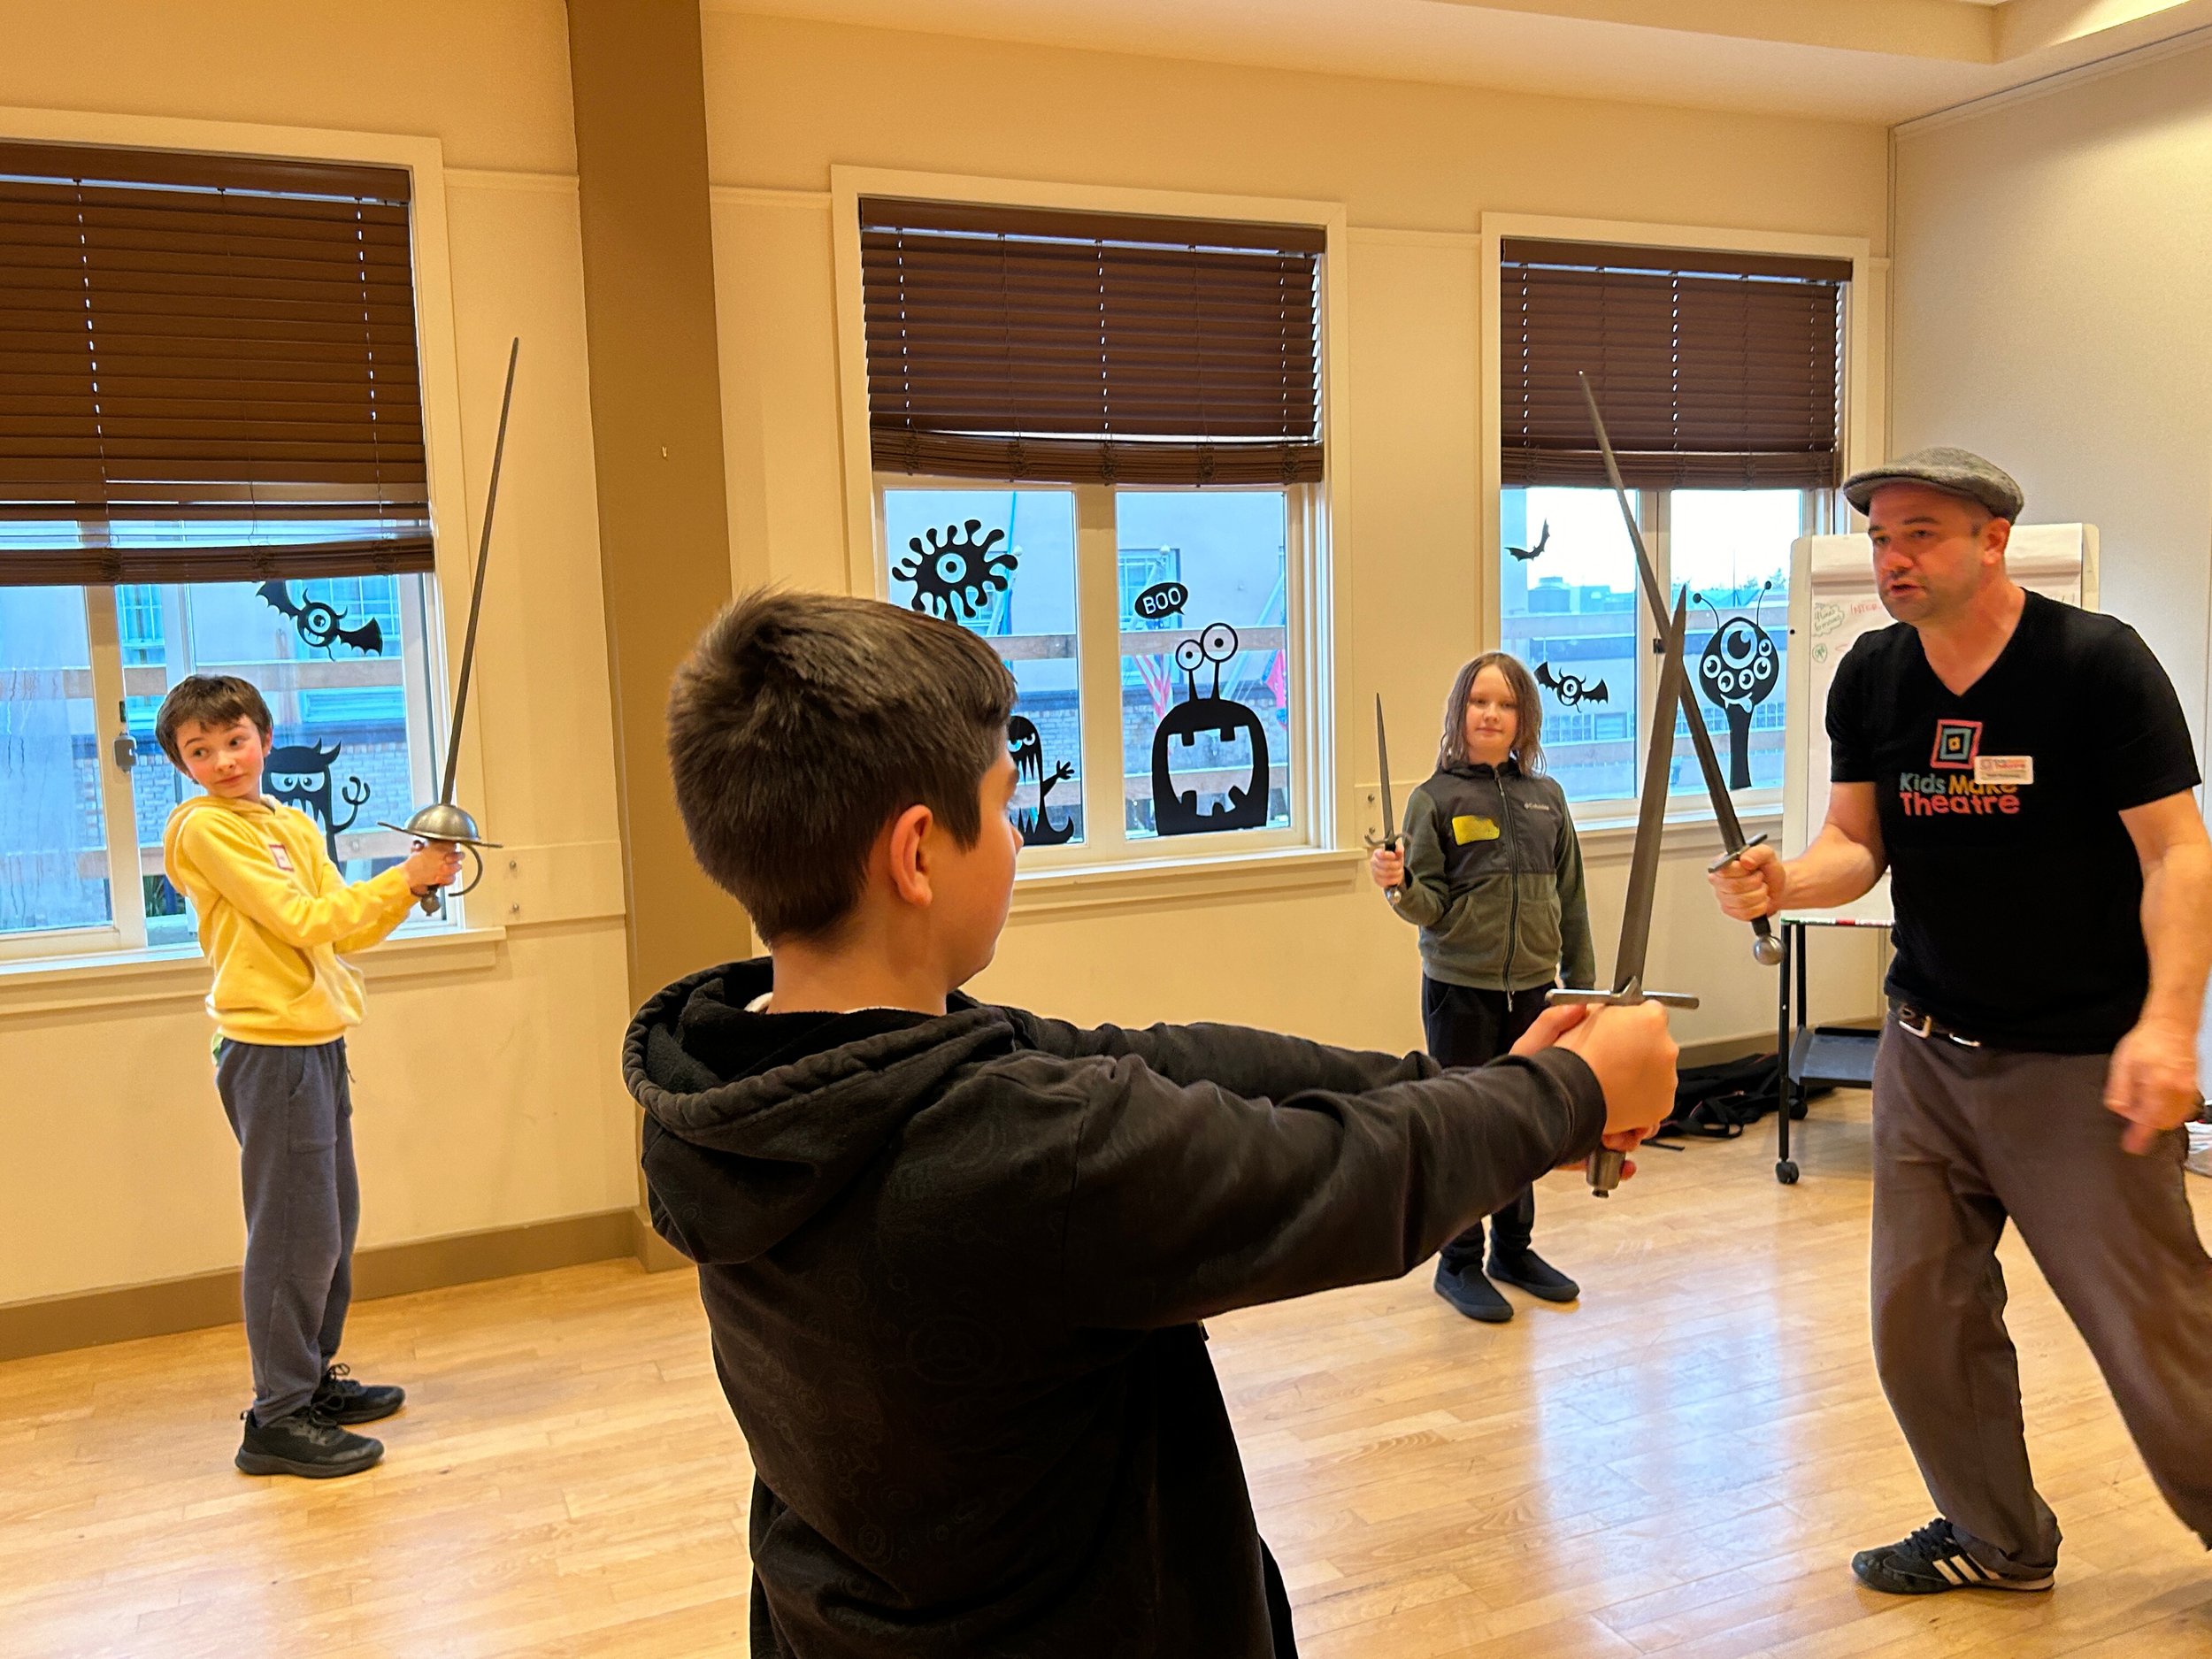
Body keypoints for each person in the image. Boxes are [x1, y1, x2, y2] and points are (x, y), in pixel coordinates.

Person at [626, 591, 1678, 1658]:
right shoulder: (1022, 1152)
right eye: (1002, 806)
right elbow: (1343, 1179)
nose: (1017, 834)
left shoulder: (745, 1088)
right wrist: (1567, 1096)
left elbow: (1175, 1058)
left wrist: (1480, 1081)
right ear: (917, 854)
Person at [1709, 448, 2212, 1594]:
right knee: (1918, 1323)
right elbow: (1857, 844)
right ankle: (1996, 1537)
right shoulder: (1872, 676)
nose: (1892, 558)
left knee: (2159, 1334)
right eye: (1881, 538)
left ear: (1993, 540)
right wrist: (1785, 881)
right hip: (1926, 1050)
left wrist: (2167, 1026)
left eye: (1920, 533)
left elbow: (2178, 856)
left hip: (2077, 1062)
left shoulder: (2095, 665)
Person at [158, 673, 462, 1479]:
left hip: (318, 1038)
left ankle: (310, 1379)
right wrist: (405, 877)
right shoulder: (204, 830)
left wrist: (414, 880)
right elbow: (297, 919)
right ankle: (278, 1416)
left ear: (263, 737)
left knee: (332, 1223)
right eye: (200, 751)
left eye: (235, 740)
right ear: (183, 765)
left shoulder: (289, 823)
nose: (224, 760)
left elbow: (340, 930)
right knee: (294, 1233)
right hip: (270, 1049)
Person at [1368, 652, 1595, 1323]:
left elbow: (1572, 898)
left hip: (1535, 989)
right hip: (1459, 989)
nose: (1491, 714)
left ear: (1524, 717)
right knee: (1466, 1125)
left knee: (1524, 1123)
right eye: (1479, 702)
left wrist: (1583, 988)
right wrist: (1398, 887)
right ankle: (1460, 1259)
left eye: (1505, 703)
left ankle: (1514, 1251)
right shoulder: (1434, 800)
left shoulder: (1547, 798)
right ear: (1459, 712)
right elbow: (1429, 905)